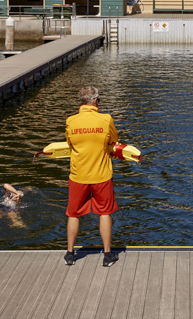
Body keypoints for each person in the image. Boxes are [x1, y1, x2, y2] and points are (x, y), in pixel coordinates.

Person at [64, 86, 120, 267]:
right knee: (104, 212)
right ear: (95, 101)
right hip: (101, 175)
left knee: (73, 214)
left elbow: (69, 143)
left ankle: (70, 255)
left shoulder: (71, 121)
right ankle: (108, 255)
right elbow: (113, 140)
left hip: (78, 175)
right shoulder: (106, 119)